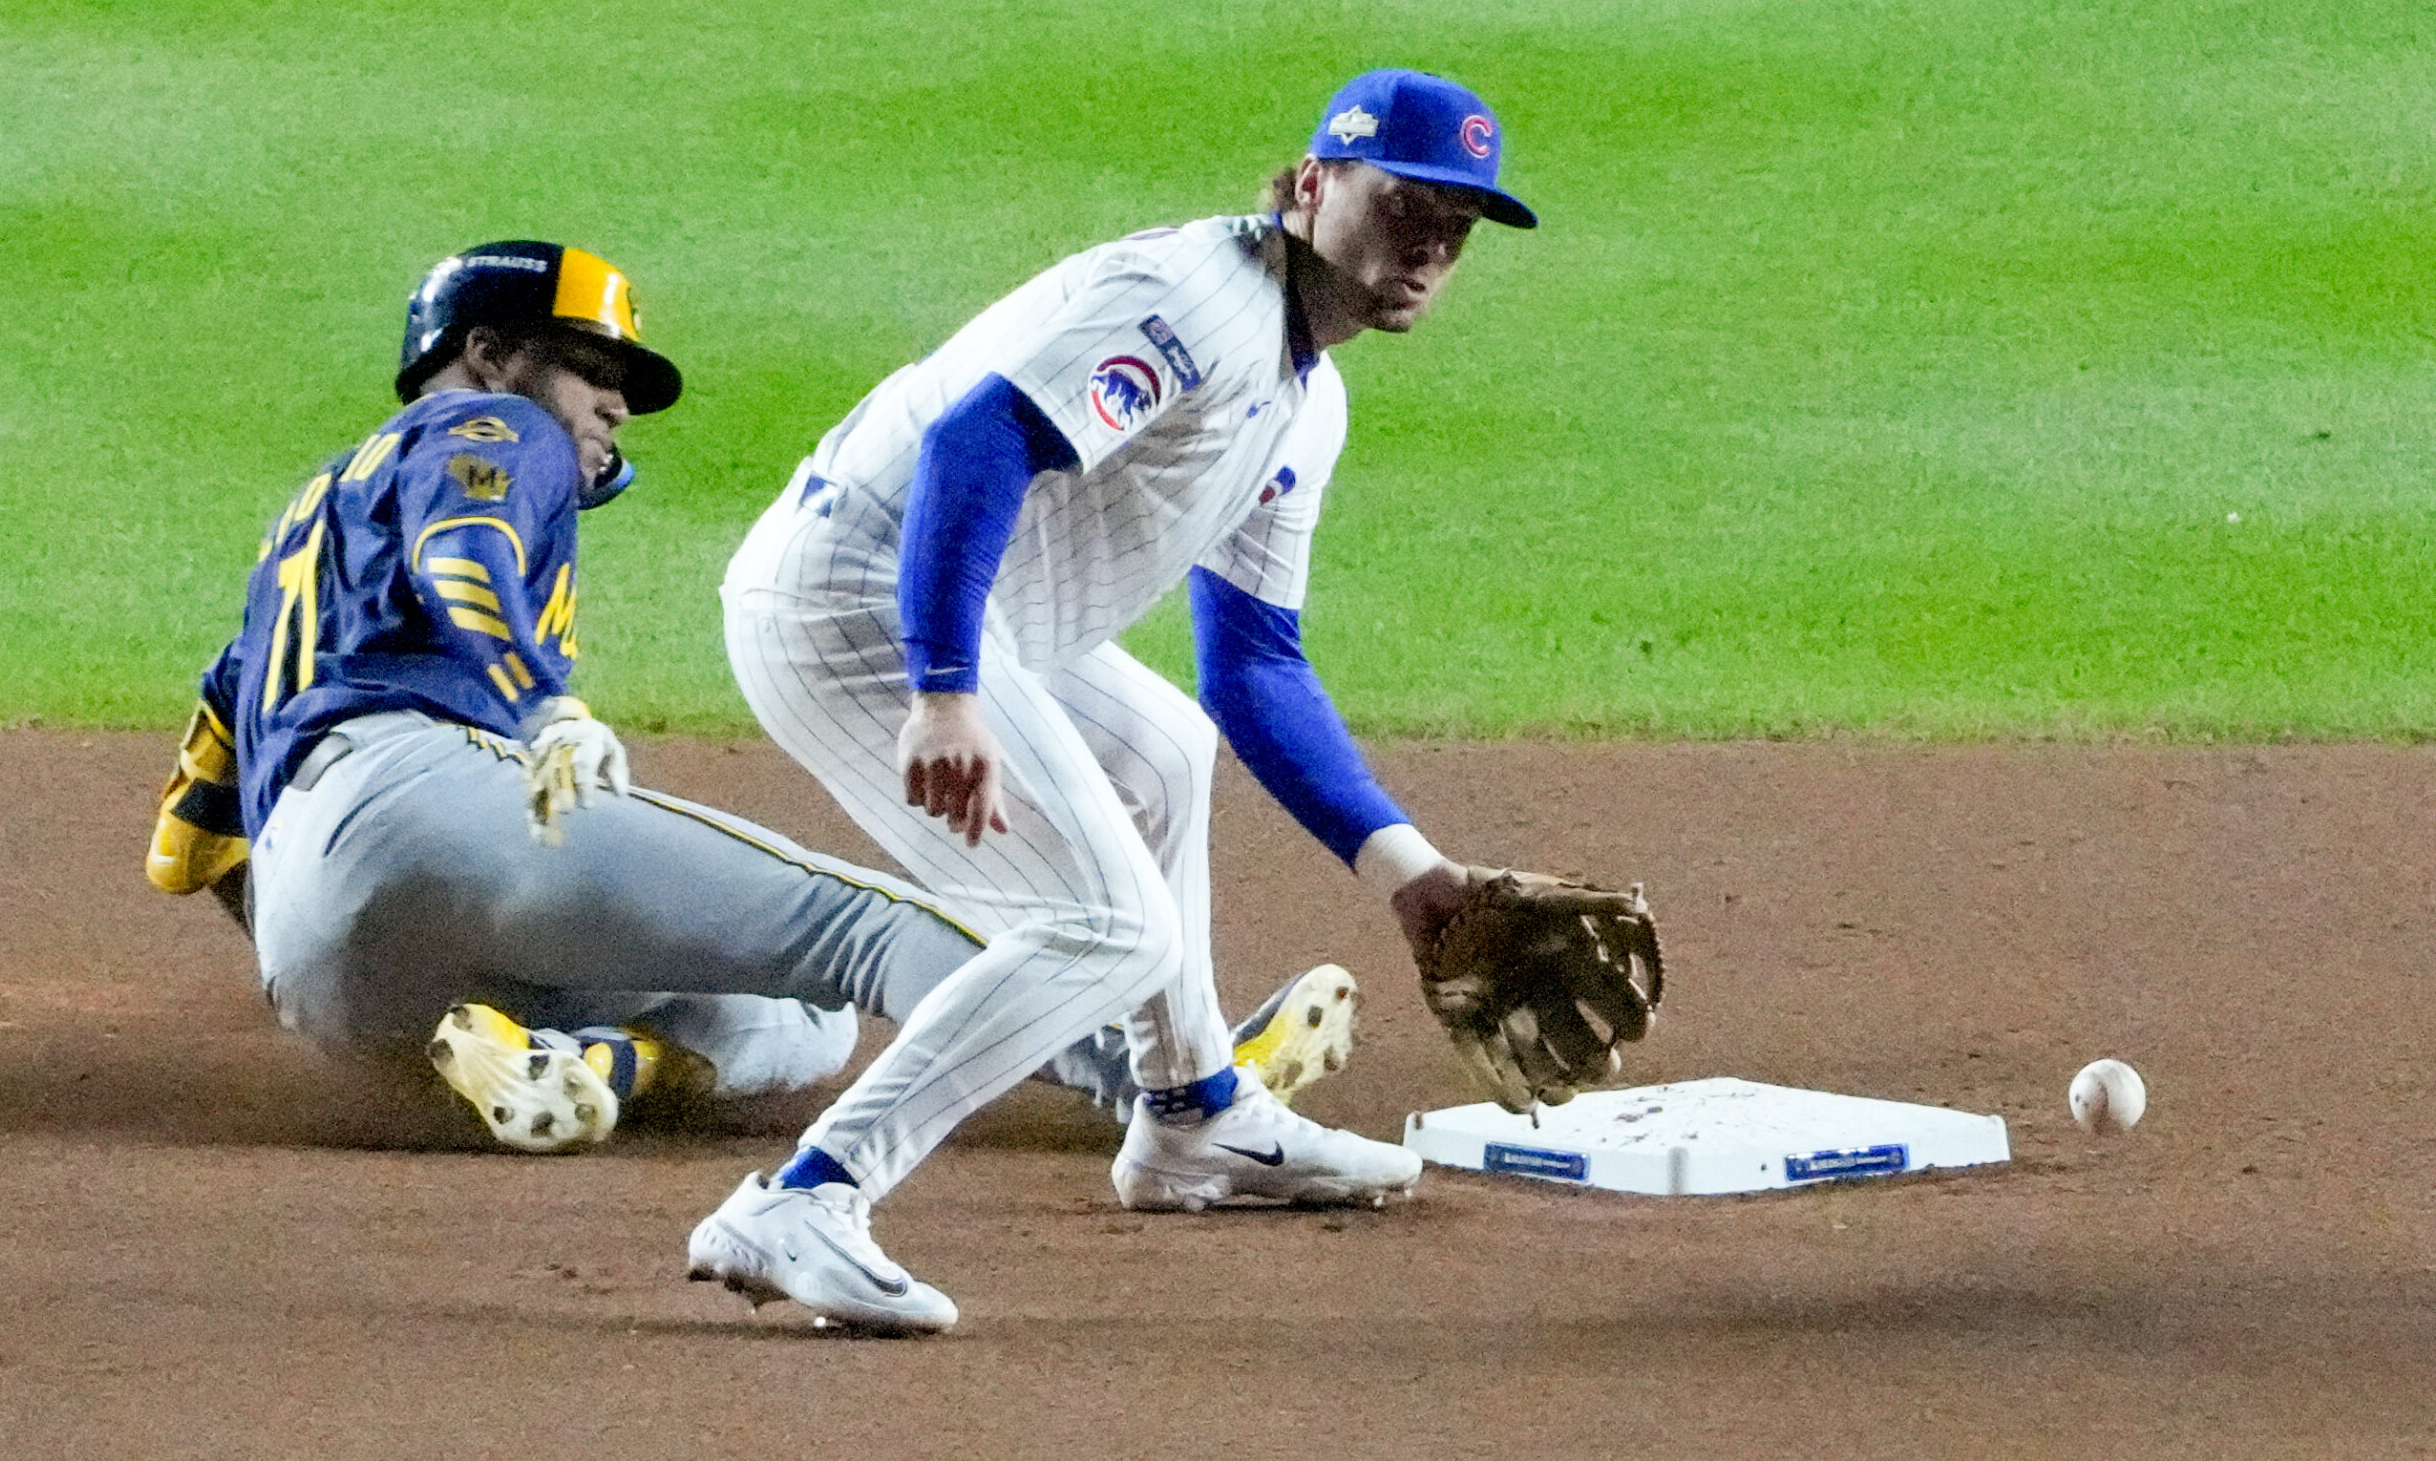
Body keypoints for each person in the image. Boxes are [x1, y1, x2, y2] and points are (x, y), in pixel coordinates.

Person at [143, 240, 1360, 1155]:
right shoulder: (488, 426)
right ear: (485, 352)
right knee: (859, 925)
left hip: (329, 972)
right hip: (425, 797)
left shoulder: (305, 527)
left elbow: (194, 823)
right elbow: (463, 555)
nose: (614, 399)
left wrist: (317, 933)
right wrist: (538, 705)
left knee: (804, 1022)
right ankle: (1173, 1075)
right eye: (590, 367)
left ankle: (584, 1065)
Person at [703, 69, 1545, 1333]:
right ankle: (805, 1197)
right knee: (1107, 926)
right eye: (1404, 203)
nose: (1429, 244)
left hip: (967, 610)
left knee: (1164, 752)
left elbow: (1254, 660)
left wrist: (1409, 871)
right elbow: (974, 441)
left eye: (1458, 225)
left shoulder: (1307, 394)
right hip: (860, 598)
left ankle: (1195, 1114)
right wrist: (943, 689)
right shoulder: (1192, 303)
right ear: (1313, 187)